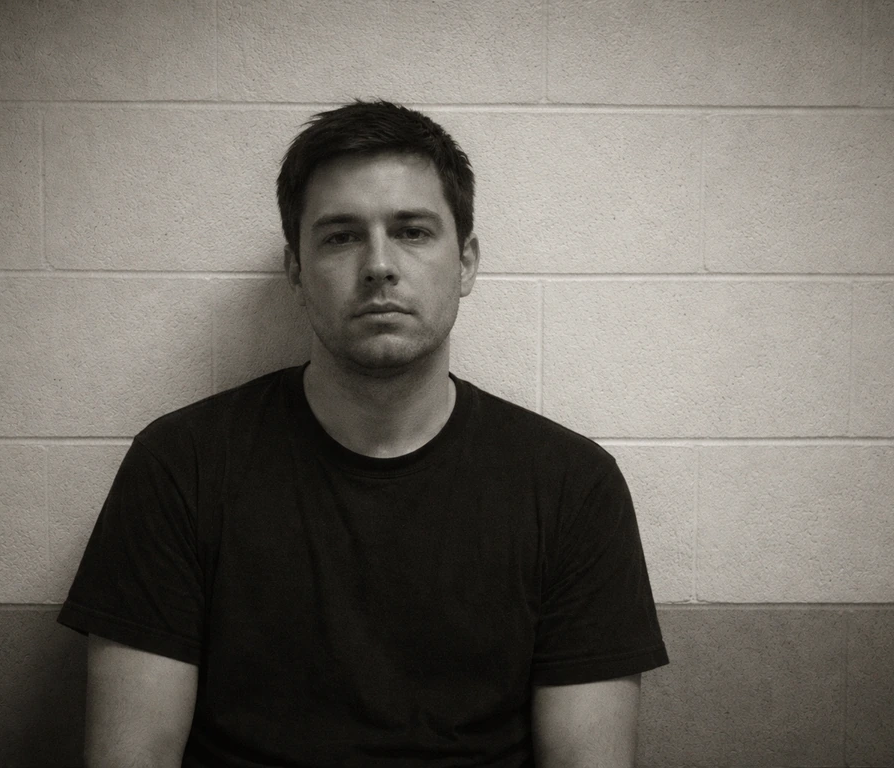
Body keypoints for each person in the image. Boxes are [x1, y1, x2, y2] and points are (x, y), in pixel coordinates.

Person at [57, 99, 668, 767]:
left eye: (411, 230)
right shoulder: (181, 466)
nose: (379, 265)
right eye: (341, 235)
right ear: (296, 268)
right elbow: (131, 756)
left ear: (465, 263)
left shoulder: (572, 488)